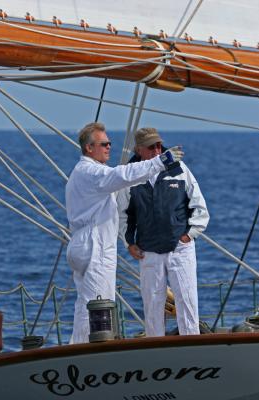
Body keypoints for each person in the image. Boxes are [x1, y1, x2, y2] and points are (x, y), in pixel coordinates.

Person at [65, 122, 184, 343]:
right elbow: (122, 175)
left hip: (82, 243)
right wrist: (161, 161)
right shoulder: (92, 172)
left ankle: (78, 345)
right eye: (104, 144)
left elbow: (125, 177)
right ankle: (88, 352)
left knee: (86, 304)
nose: (109, 147)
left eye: (109, 143)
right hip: (95, 245)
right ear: (89, 148)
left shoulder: (81, 172)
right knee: (98, 303)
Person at [117, 127, 209, 336]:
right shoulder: (129, 176)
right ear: (139, 149)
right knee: (152, 305)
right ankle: (156, 349)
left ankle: (191, 345)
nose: (157, 150)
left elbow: (199, 205)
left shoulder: (178, 169)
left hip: (180, 248)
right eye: (151, 147)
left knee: (187, 301)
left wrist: (189, 235)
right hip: (148, 251)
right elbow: (123, 215)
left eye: (159, 145)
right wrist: (129, 243)